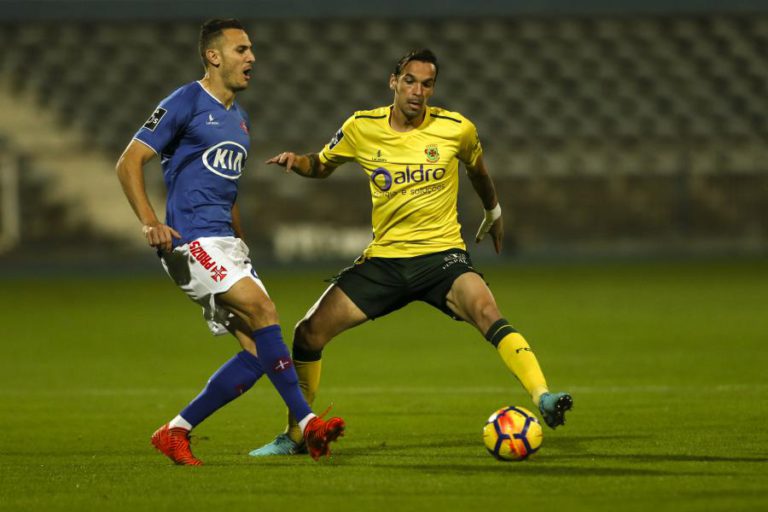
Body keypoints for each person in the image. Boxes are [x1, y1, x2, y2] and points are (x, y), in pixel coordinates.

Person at [250, 48, 572, 457]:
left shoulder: (457, 129)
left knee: (488, 312)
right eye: (410, 81)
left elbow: (478, 171)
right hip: (384, 261)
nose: (418, 91)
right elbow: (324, 164)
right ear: (393, 82)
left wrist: (494, 211)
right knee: (307, 333)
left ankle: (542, 395)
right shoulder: (361, 126)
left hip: (441, 258)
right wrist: (299, 162)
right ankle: (296, 435)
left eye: (427, 83)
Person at [115, 18, 344, 465]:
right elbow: (129, 162)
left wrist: (241, 241)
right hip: (191, 240)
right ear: (213, 56)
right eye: (241, 50)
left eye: (252, 49)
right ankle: (308, 423)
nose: (252, 57)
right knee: (265, 311)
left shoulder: (239, 119)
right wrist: (148, 222)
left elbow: (225, 185)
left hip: (225, 244)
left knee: (262, 354)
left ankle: (175, 431)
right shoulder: (184, 101)